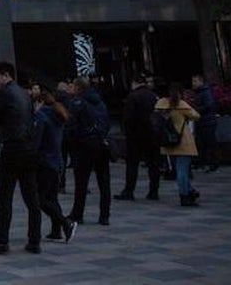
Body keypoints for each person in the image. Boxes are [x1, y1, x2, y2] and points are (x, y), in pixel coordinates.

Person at [0, 62, 41, 255]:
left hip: (12, 148)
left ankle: (2, 241)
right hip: (29, 148)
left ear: (5, 75)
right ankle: (35, 240)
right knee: (31, 196)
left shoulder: (5, 94)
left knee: (4, 195)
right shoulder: (24, 94)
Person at [65, 77, 111, 226]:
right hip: (101, 142)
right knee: (104, 181)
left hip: (84, 144)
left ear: (78, 88)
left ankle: (78, 214)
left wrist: (72, 141)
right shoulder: (100, 102)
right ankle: (104, 215)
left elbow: (72, 124)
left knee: (81, 181)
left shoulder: (77, 102)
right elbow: (106, 121)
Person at [33, 89, 76, 243]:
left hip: (44, 162)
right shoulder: (58, 115)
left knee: (41, 199)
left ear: (39, 102)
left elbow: (36, 142)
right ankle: (56, 229)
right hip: (56, 161)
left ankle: (65, 223)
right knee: (52, 197)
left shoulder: (41, 116)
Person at [116, 75, 160, 201]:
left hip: (136, 135)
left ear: (134, 83)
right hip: (152, 134)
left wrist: (127, 132)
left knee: (132, 164)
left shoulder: (133, 96)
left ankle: (129, 190)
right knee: (153, 164)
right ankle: (154, 191)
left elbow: (128, 118)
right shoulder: (153, 96)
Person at [156, 84, 201, 206]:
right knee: (182, 169)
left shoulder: (160, 103)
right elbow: (196, 115)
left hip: (167, 140)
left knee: (178, 168)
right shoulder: (180, 104)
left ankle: (189, 190)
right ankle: (184, 195)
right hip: (182, 140)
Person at [190, 74, 219, 172]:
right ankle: (202, 162)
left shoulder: (205, 92)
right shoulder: (198, 92)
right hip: (202, 121)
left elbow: (209, 105)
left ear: (201, 82)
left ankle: (213, 163)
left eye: (195, 81)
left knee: (209, 143)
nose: (193, 83)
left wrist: (195, 110)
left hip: (207, 121)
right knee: (201, 143)